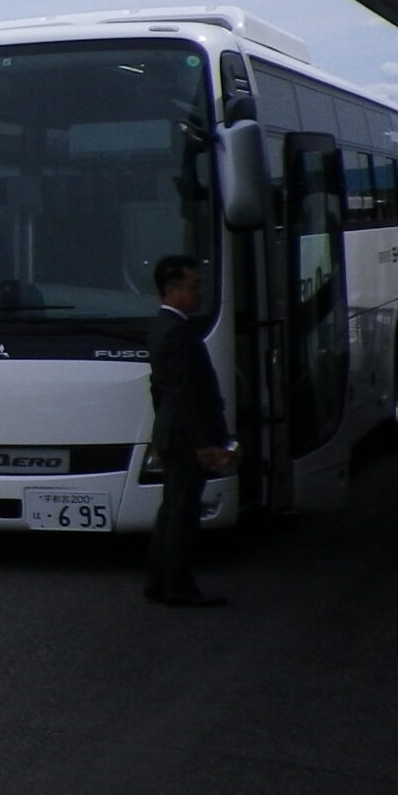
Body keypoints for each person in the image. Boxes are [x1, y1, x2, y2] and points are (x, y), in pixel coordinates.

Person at [143, 254, 233, 607]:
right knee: (182, 513)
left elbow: (160, 390)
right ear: (172, 290)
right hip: (185, 436)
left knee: (171, 509)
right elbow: (187, 393)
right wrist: (204, 443)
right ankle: (178, 585)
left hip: (171, 431)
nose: (199, 293)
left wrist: (161, 430)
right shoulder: (179, 333)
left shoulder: (161, 327)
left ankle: (158, 579)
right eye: (194, 286)